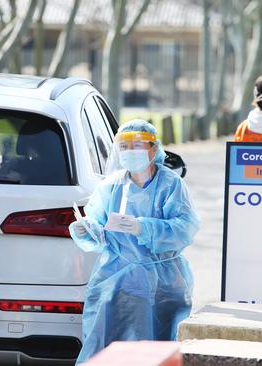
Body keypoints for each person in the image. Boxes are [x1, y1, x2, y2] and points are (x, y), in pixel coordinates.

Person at [69, 119, 200, 363]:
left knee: (156, 349)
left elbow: (186, 229)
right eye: (124, 147)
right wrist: (85, 229)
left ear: (153, 148)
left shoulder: (171, 185)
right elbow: (97, 226)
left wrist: (144, 227)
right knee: (104, 346)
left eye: (137, 145)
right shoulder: (110, 186)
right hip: (114, 280)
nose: (130, 153)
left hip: (162, 282)